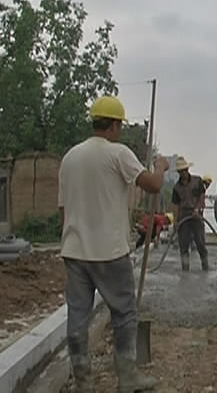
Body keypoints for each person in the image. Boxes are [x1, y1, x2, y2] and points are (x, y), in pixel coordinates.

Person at [58, 94, 169, 393]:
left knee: (77, 318)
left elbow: (63, 211)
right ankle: (128, 377)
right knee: (124, 314)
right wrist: (160, 167)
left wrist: (71, 239)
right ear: (115, 125)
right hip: (109, 251)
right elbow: (153, 185)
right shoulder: (117, 153)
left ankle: (83, 383)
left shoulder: (69, 158)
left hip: (75, 251)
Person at [171, 156, 209, 272]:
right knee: (183, 245)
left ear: (188, 170)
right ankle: (185, 269)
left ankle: (205, 266)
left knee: (200, 242)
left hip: (196, 215)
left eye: (185, 170)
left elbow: (202, 197)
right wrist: (175, 221)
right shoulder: (176, 188)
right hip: (184, 217)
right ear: (178, 172)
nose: (184, 173)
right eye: (181, 171)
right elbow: (176, 205)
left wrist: (197, 209)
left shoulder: (197, 181)